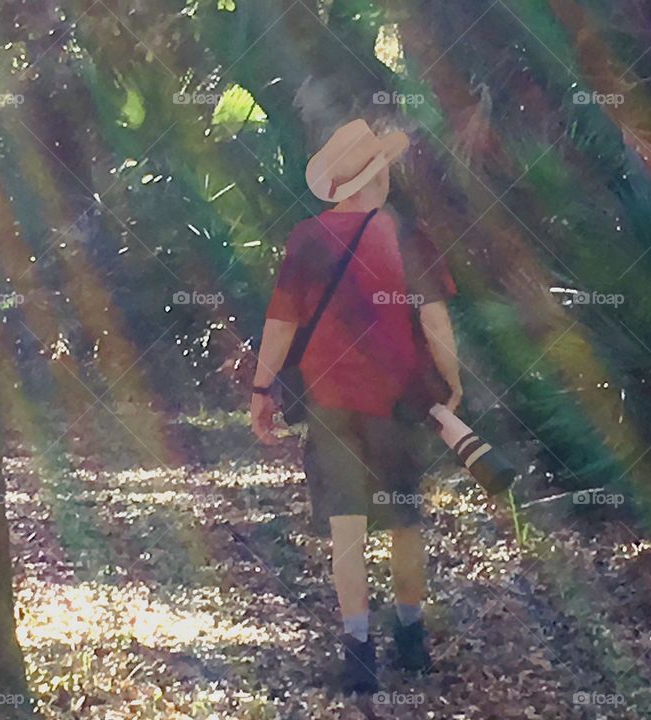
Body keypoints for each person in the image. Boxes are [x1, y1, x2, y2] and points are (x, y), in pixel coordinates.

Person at [249, 119, 462, 694]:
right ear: (380, 174)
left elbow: (281, 322)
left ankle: (358, 650)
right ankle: (412, 639)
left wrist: (262, 390)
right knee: (403, 520)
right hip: (399, 403)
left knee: (347, 525)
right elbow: (434, 317)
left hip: (328, 402)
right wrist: (451, 380)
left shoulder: (307, 239)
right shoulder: (408, 236)